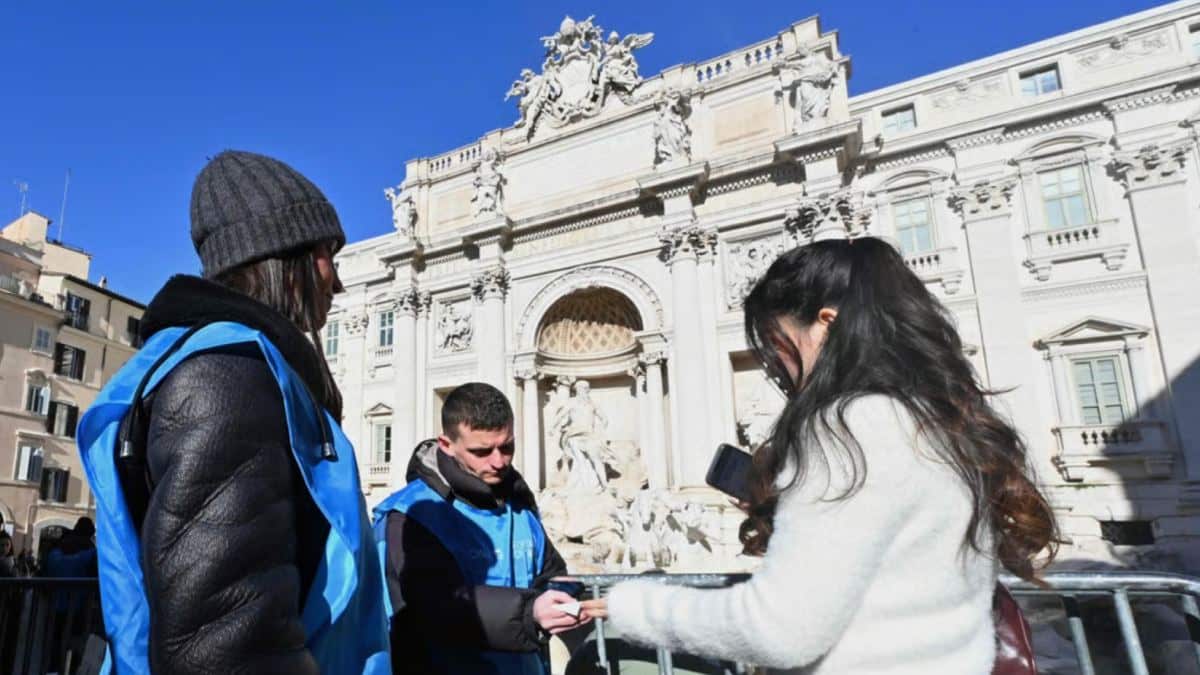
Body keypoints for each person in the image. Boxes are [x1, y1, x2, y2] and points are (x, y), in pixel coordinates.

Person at [582, 238, 1060, 673]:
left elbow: (780, 630)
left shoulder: (849, 426)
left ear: (826, 324)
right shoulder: (938, 418)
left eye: (777, 346)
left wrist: (639, 607)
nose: (778, 369)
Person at [76, 150, 389, 674]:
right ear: (289, 257)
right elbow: (225, 646)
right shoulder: (227, 380)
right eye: (329, 254)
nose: (336, 282)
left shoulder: (240, 373)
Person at [374, 382, 587, 674]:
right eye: (482, 451)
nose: (499, 461)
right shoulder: (408, 514)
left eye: (507, 446)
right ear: (447, 445)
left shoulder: (519, 502)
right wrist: (529, 612)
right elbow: (430, 606)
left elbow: (552, 573)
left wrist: (563, 597)